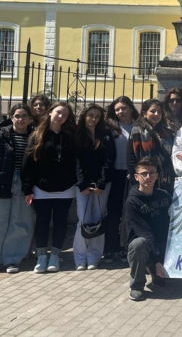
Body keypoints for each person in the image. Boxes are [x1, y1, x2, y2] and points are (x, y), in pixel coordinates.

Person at [22, 101, 78, 274]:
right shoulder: (37, 135)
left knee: (61, 223)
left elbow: (76, 161)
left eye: (65, 115)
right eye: (59, 112)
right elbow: (28, 163)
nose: (61, 117)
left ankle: (55, 255)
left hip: (66, 188)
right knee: (42, 222)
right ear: (51, 112)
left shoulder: (70, 136)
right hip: (42, 188)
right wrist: (28, 188)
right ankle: (41, 256)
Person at [0, 104, 34, 275]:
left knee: (20, 222)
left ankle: (13, 259)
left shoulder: (34, 137)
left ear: (30, 119)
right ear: (11, 117)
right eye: (17, 115)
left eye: (25, 116)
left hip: (24, 183)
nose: (21, 119)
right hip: (2, 181)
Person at [73, 104, 116, 271]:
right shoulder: (77, 134)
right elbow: (75, 161)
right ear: (84, 115)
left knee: (98, 219)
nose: (93, 119)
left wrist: (102, 183)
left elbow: (109, 159)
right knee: (83, 220)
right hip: (82, 184)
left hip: (101, 184)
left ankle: (94, 256)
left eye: (97, 116)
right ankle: (80, 257)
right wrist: (82, 184)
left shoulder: (105, 134)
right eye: (90, 115)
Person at [126, 157, 170, 302]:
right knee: (139, 243)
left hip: (162, 244)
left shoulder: (164, 196)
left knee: (163, 282)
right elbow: (146, 233)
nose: (148, 177)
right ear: (136, 177)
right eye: (144, 173)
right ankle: (137, 286)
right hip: (145, 247)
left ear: (157, 175)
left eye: (152, 173)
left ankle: (155, 271)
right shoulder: (132, 202)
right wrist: (158, 261)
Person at [104, 96, 139, 263]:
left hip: (132, 174)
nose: (120, 112)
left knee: (128, 213)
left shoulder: (138, 126)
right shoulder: (110, 127)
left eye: (124, 108)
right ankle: (110, 248)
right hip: (115, 174)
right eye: (117, 109)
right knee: (113, 212)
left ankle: (125, 248)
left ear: (131, 108)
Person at [127, 99, 176, 196]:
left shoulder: (166, 132)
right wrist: (136, 178)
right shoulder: (137, 131)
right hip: (144, 178)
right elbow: (130, 157)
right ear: (144, 113)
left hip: (164, 179)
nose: (156, 114)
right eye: (153, 111)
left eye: (159, 111)